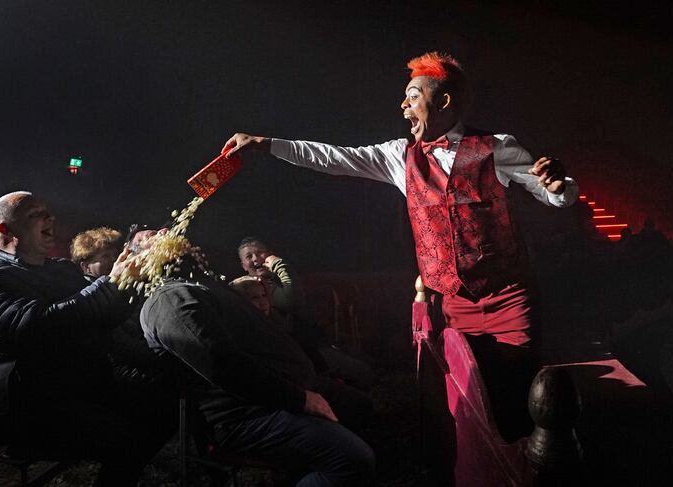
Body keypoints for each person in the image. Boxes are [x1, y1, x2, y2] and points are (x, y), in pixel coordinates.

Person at [223, 51, 579, 441]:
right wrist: (265, 144)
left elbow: (552, 194)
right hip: (455, 305)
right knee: (472, 399)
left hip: (509, 298)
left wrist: (558, 186)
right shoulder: (399, 157)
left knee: (520, 395)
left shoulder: (496, 147)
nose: (403, 105)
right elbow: (334, 158)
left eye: (412, 96)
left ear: (443, 101)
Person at [0, 191, 175, 486]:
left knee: (166, 406)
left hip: (80, 386)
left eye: (48, 211)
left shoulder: (60, 270)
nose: (50, 217)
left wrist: (136, 273)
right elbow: (43, 326)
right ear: (5, 230)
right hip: (29, 404)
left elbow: (103, 316)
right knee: (125, 438)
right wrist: (111, 283)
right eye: (36, 214)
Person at [140, 242, 375, 486]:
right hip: (248, 413)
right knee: (353, 461)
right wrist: (300, 399)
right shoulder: (170, 299)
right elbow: (224, 366)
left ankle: (300, 470)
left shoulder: (204, 285)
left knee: (358, 407)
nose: (164, 234)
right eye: (149, 238)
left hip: (287, 387)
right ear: (140, 262)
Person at [237, 237, 375, 390]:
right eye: (249, 256)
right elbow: (293, 300)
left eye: (260, 253)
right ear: (243, 265)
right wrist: (279, 264)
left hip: (311, 343)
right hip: (297, 353)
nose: (256, 258)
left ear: (269, 254)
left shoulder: (273, 280)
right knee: (362, 373)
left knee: (365, 361)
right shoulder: (250, 287)